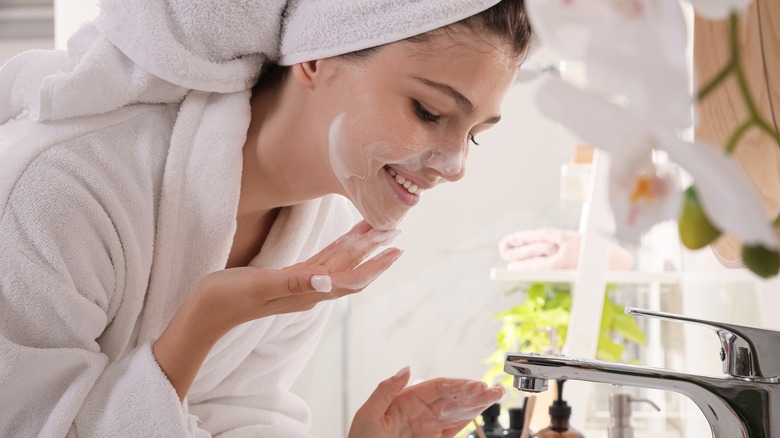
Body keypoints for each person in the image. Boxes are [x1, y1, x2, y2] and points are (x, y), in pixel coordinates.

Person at [0, 0, 533, 436]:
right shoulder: (68, 186)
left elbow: (234, 416)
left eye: (474, 134)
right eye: (429, 112)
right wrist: (204, 321)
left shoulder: (318, 233)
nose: (456, 165)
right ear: (317, 59)